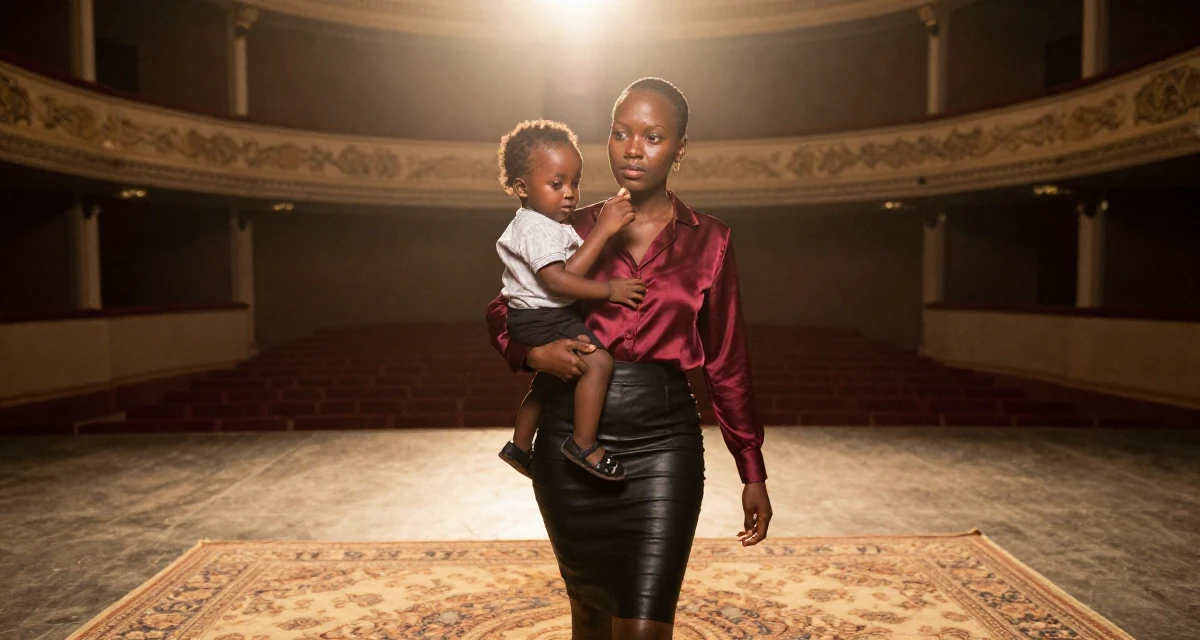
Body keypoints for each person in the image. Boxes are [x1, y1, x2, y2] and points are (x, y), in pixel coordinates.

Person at [486, 78, 773, 640]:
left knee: (645, 629)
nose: (633, 149)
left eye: (653, 137)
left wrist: (751, 469)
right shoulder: (567, 224)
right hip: (570, 441)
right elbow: (503, 307)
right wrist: (533, 352)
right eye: (621, 134)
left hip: (665, 442)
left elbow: (727, 361)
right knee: (591, 621)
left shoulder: (711, 240)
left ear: (680, 149)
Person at [493, 120, 647, 481]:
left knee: (548, 382)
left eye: (575, 183)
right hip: (544, 317)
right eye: (556, 184)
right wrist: (610, 287)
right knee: (599, 364)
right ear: (522, 187)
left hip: (534, 317)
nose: (570, 194)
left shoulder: (546, 223)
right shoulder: (536, 227)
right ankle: (584, 444)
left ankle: (519, 446)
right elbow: (559, 281)